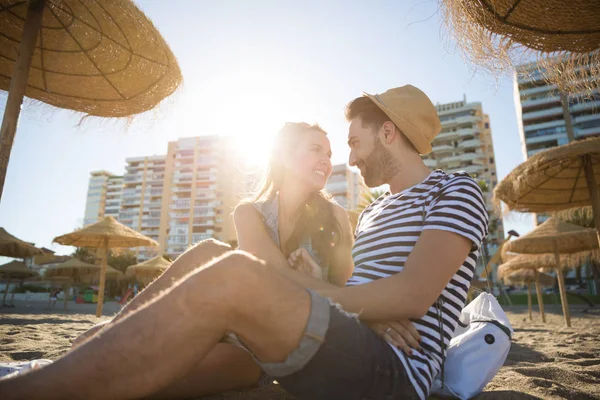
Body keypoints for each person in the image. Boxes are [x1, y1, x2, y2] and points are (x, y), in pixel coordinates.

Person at [0, 85, 488, 400]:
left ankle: (26, 391)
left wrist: (340, 304)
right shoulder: (374, 212)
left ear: (388, 133)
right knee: (213, 255)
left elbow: (411, 295)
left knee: (235, 271)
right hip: (354, 342)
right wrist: (355, 309)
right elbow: (365, 291)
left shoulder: (456, 190)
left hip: (395, 376)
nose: (350, 160)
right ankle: (59, 371)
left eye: (355, 144)